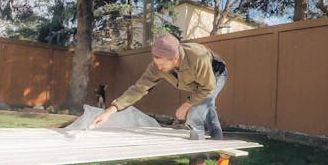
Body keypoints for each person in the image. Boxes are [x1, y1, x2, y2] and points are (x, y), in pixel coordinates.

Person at [90, 33, 227, 142]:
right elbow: (138, 89)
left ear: (175, 58)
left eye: (162, 65)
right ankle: (218, 144)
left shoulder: (197, 57)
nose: (159, 68)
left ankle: (197, 159)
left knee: (194, 114)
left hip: (214, 77)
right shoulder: (157, 67)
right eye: (157, 64)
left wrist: (186, 105)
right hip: (197, 83)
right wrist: (109, 111)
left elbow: (208, 87)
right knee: (206, 107)